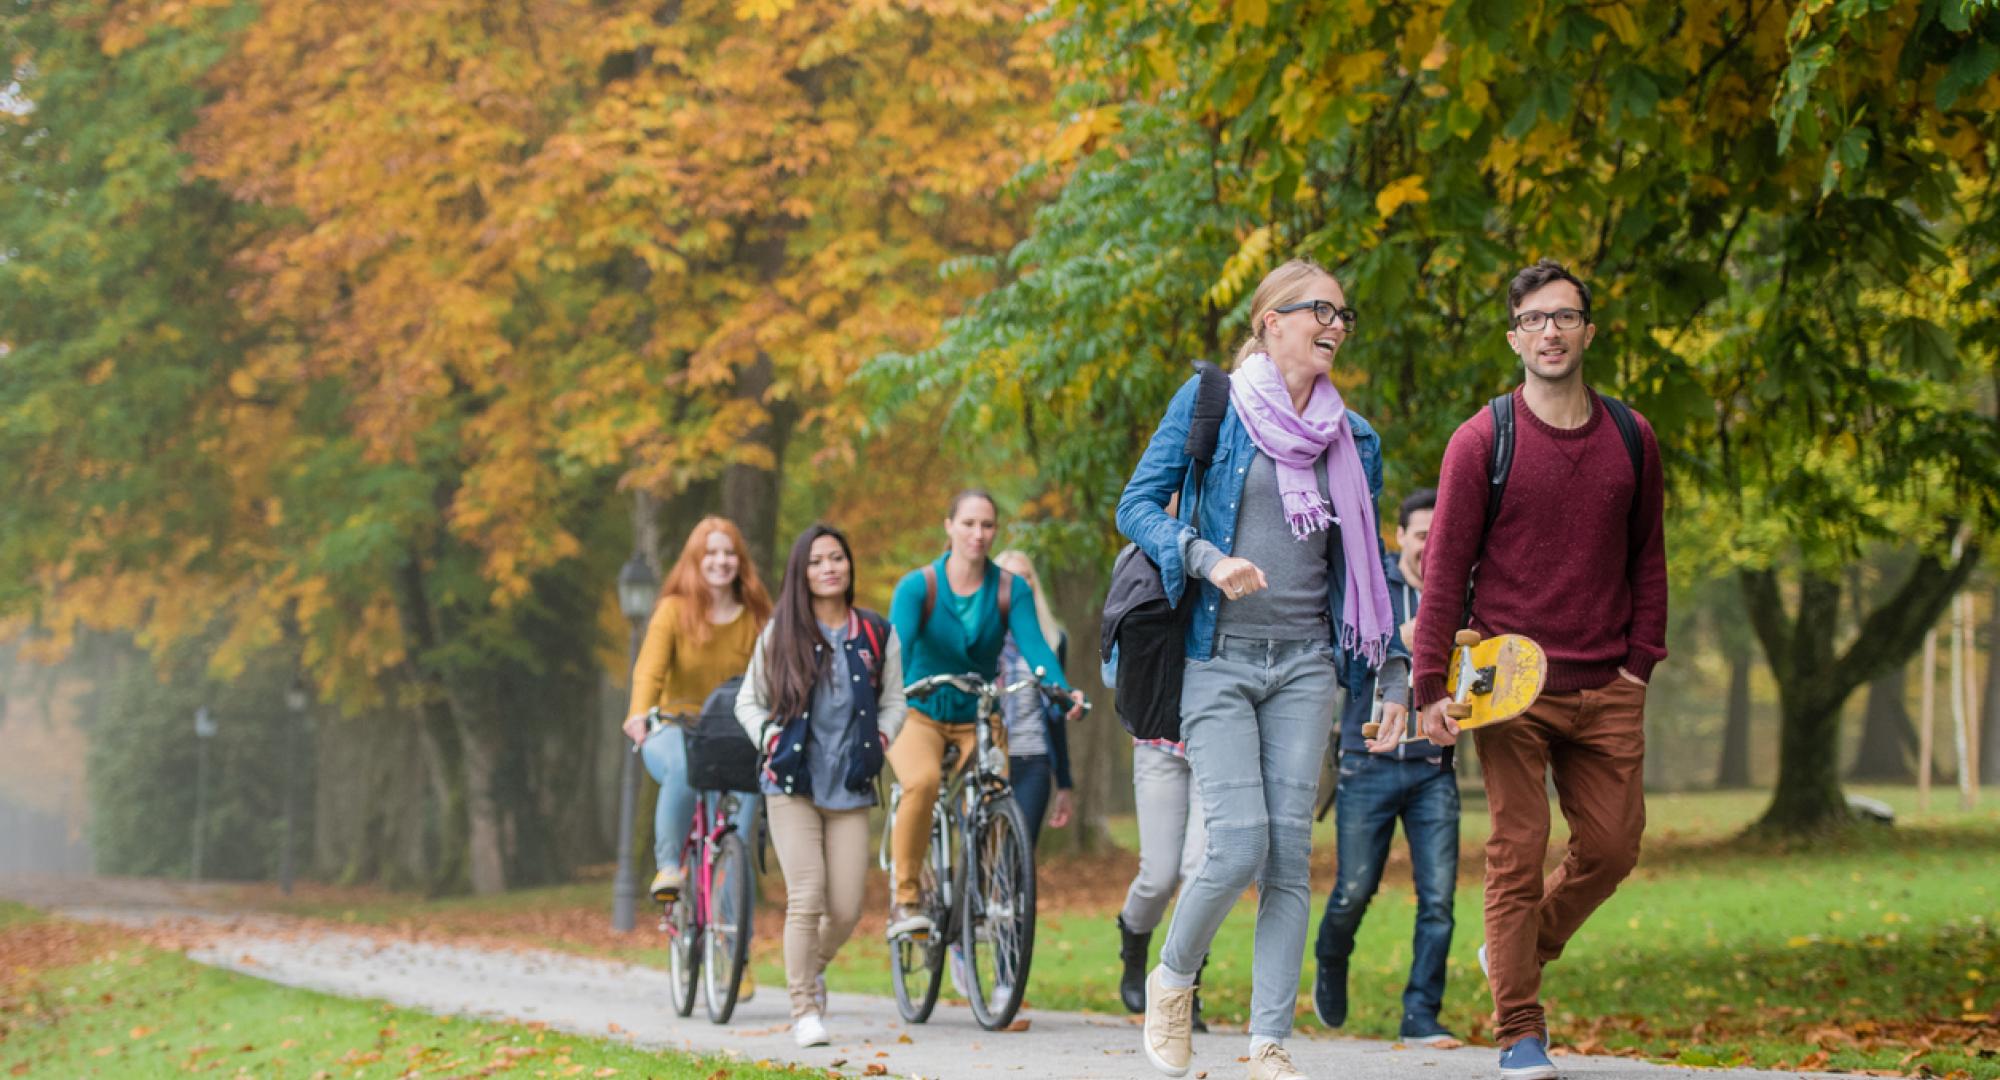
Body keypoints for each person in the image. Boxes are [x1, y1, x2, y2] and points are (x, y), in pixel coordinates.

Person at [1117, 257, 1406, 1080]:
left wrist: (1390, 675)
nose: (1337, 326)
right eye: (1322, 309)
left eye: (1345, 314)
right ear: (1272, 318)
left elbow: (1367, 567)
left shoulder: (1355, 441)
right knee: (1237, 842)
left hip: (1307, 664)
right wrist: (1204, 556)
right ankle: (1174, 973)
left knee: (1287, 859)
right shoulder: (1213, 403)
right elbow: (1136, 504)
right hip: (1216, 655)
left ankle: (1269, 1042)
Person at [1405, 259, 1667, 1080]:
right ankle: (1519, 1028)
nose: (1550, 332)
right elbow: (1444, 569)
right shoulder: (1482, 439)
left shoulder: (1632, 436)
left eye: (1565, 317)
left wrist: (1639, 667)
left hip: (1607, 683)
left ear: (1588, 330)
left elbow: (1648, 558)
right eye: (1533, 320)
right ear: (1514, 336)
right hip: (1507, 679)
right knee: (1518, 848)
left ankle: (1514, 949)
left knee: (1614, 849)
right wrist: (1428, 687)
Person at [884, 490, 1085, 938]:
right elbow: (897, 649)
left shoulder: (1010, 589)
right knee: (923, 782)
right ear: (949, 526)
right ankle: (906, 899)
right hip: (918, 712)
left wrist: (1061, 691)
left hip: (978, 714)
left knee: (998, 790)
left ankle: (986, 891)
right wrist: (884, 700)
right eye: (969, 523)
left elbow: (1036, 649)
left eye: (987, 525)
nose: (978, 534)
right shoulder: (919, 586)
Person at [735, 524, 906, 1049]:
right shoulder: (780, 633)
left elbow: (895, 701)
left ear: (849, 566)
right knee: (806, 896)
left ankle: (811, 969)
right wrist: (768, 737)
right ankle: (803, 1008)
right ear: (801, 572)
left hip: (851, 785)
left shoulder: (877, 633)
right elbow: (748, 700)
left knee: (849, 908)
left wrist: (881, 735)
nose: (829, 567)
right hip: (792, 783)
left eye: (837, 558)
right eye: (817, 561)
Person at [1311, 487, 1460, 1045]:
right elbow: (1341, 654)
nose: (1429, 546)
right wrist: (1399, 641)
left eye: (1439, 536)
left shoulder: (1456, 595)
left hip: (1432, 767)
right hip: (1366, 762)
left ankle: (1421, 1013)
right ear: (1401, 537)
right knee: (1354, 887)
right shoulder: (1371, 588)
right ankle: (1331, 954)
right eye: (1421, 535)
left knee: (1439, 899)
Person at [623, 516, 773, 903]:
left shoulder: (756, 615)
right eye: (711, 553)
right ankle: (669, 867)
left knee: (737, 837)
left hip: (734, 732)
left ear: (740, 561)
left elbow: (774, 676)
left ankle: (734, 946)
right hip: (676, 728)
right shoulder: (673, 611)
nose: (720, 561)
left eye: (729, 553)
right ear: (695, 560)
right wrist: (639, 713)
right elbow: (650, 670)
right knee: (684, 768)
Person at [1113, 734, 1208, 1029]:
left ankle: (1185, 987)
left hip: (1218, 743)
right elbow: (1112, 683)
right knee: (1157, 878)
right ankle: (1133, 947)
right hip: (1158, 741)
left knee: (1201, 875)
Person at [992, 549, 1077, 846]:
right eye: (1011, 577)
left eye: (1026, 576)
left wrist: (1064, 783)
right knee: (983, 853)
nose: (1020, 584)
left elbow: (1057, 716)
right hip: (988, 758)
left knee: (1020, 854)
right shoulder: (983, 638)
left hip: (1034, 759)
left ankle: (1017, 895)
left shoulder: (1053, 640)